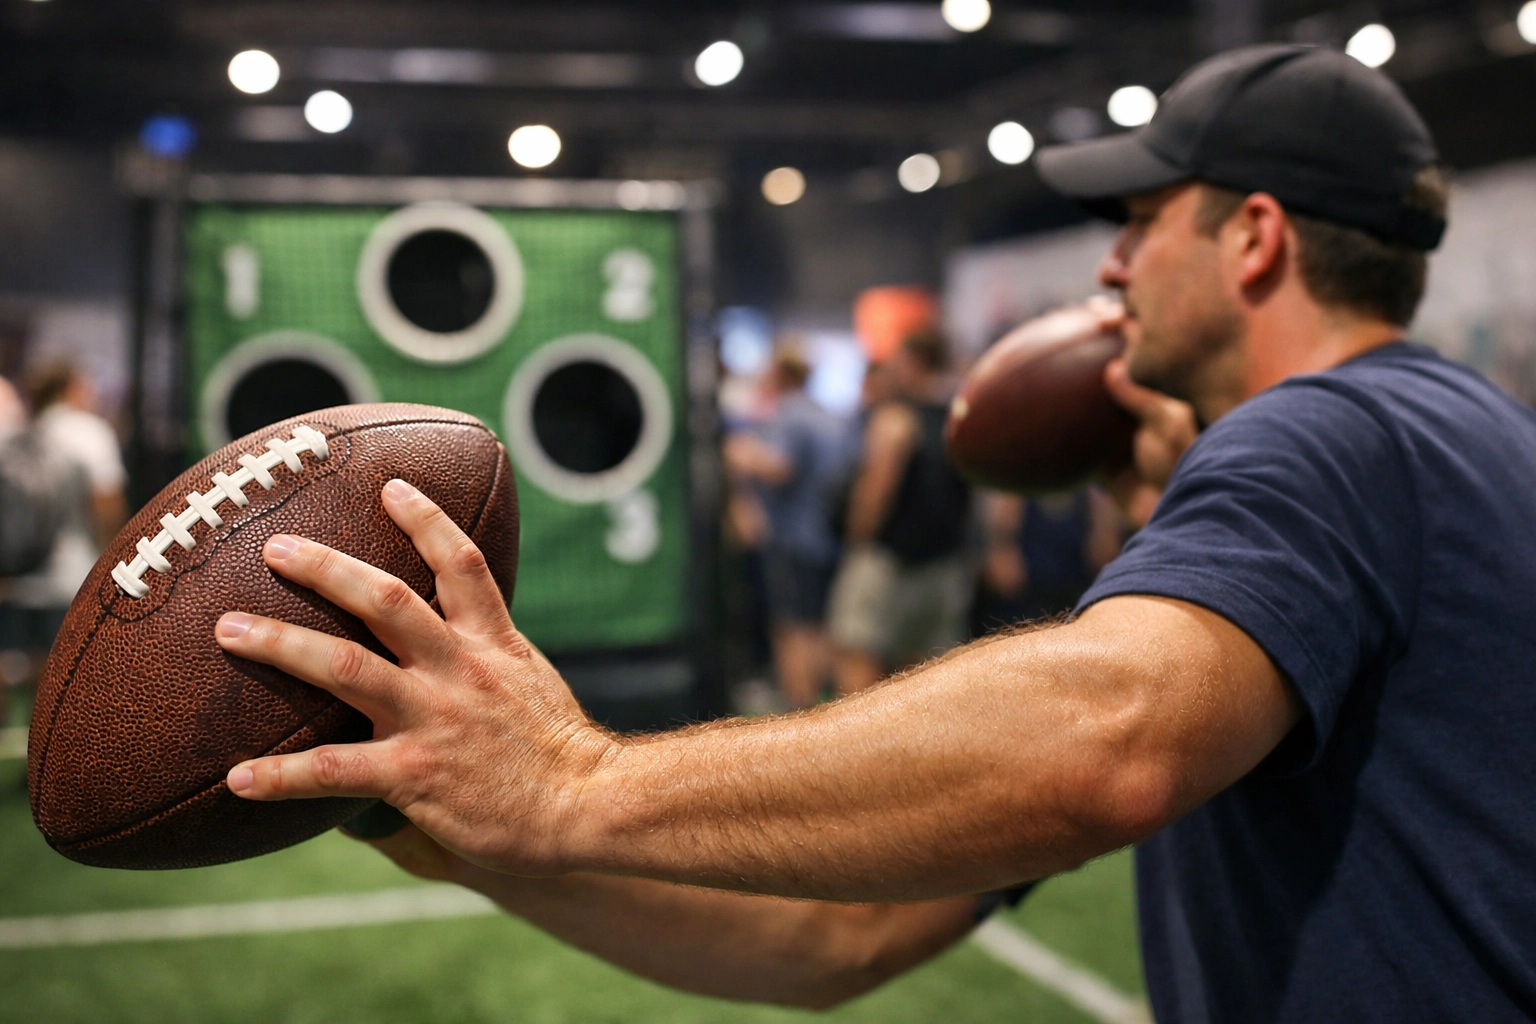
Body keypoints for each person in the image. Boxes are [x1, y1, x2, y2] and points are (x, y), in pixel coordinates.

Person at [208, 45, 1536, 1021]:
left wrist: (573, 779)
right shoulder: (1429, 442)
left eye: (1138, 225)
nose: (1112, 271)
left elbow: (1109, 741)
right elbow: (834, 939)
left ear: (1252, 238)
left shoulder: (1324, 429)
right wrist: (448, 823)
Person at [827, 330, 972, 694]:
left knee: (858, 663)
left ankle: (859, 751)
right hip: (944, 565)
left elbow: (877, 487)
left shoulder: (897, 418)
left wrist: (857, 535)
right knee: (923, 682)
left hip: (890, 563)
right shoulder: (960, 417)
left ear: (913, 362)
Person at [722, 346, 849, 708]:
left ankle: (802, 713)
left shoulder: (790, 415)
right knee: (820, 623)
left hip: (795, 540)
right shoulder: (827, 415)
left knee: (792, 627)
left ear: (781, 375)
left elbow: (780, 467)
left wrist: (736, 451)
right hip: (827, 539)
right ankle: (824, 711)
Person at [5, 362, 126, 670]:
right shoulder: (89, 432)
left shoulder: (22, 432)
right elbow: (107, 503)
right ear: (70, 388)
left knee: (15, 667)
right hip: (75, 578)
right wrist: (116, 560)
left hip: (21, 577)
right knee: (64, 676)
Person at [975, 487, 1123, 630]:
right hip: (1030, 584)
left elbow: (1104, 548)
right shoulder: (1018, 484)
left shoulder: (1088, 485)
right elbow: (1002, 533)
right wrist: (1003, 548)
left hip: (1074, 578)